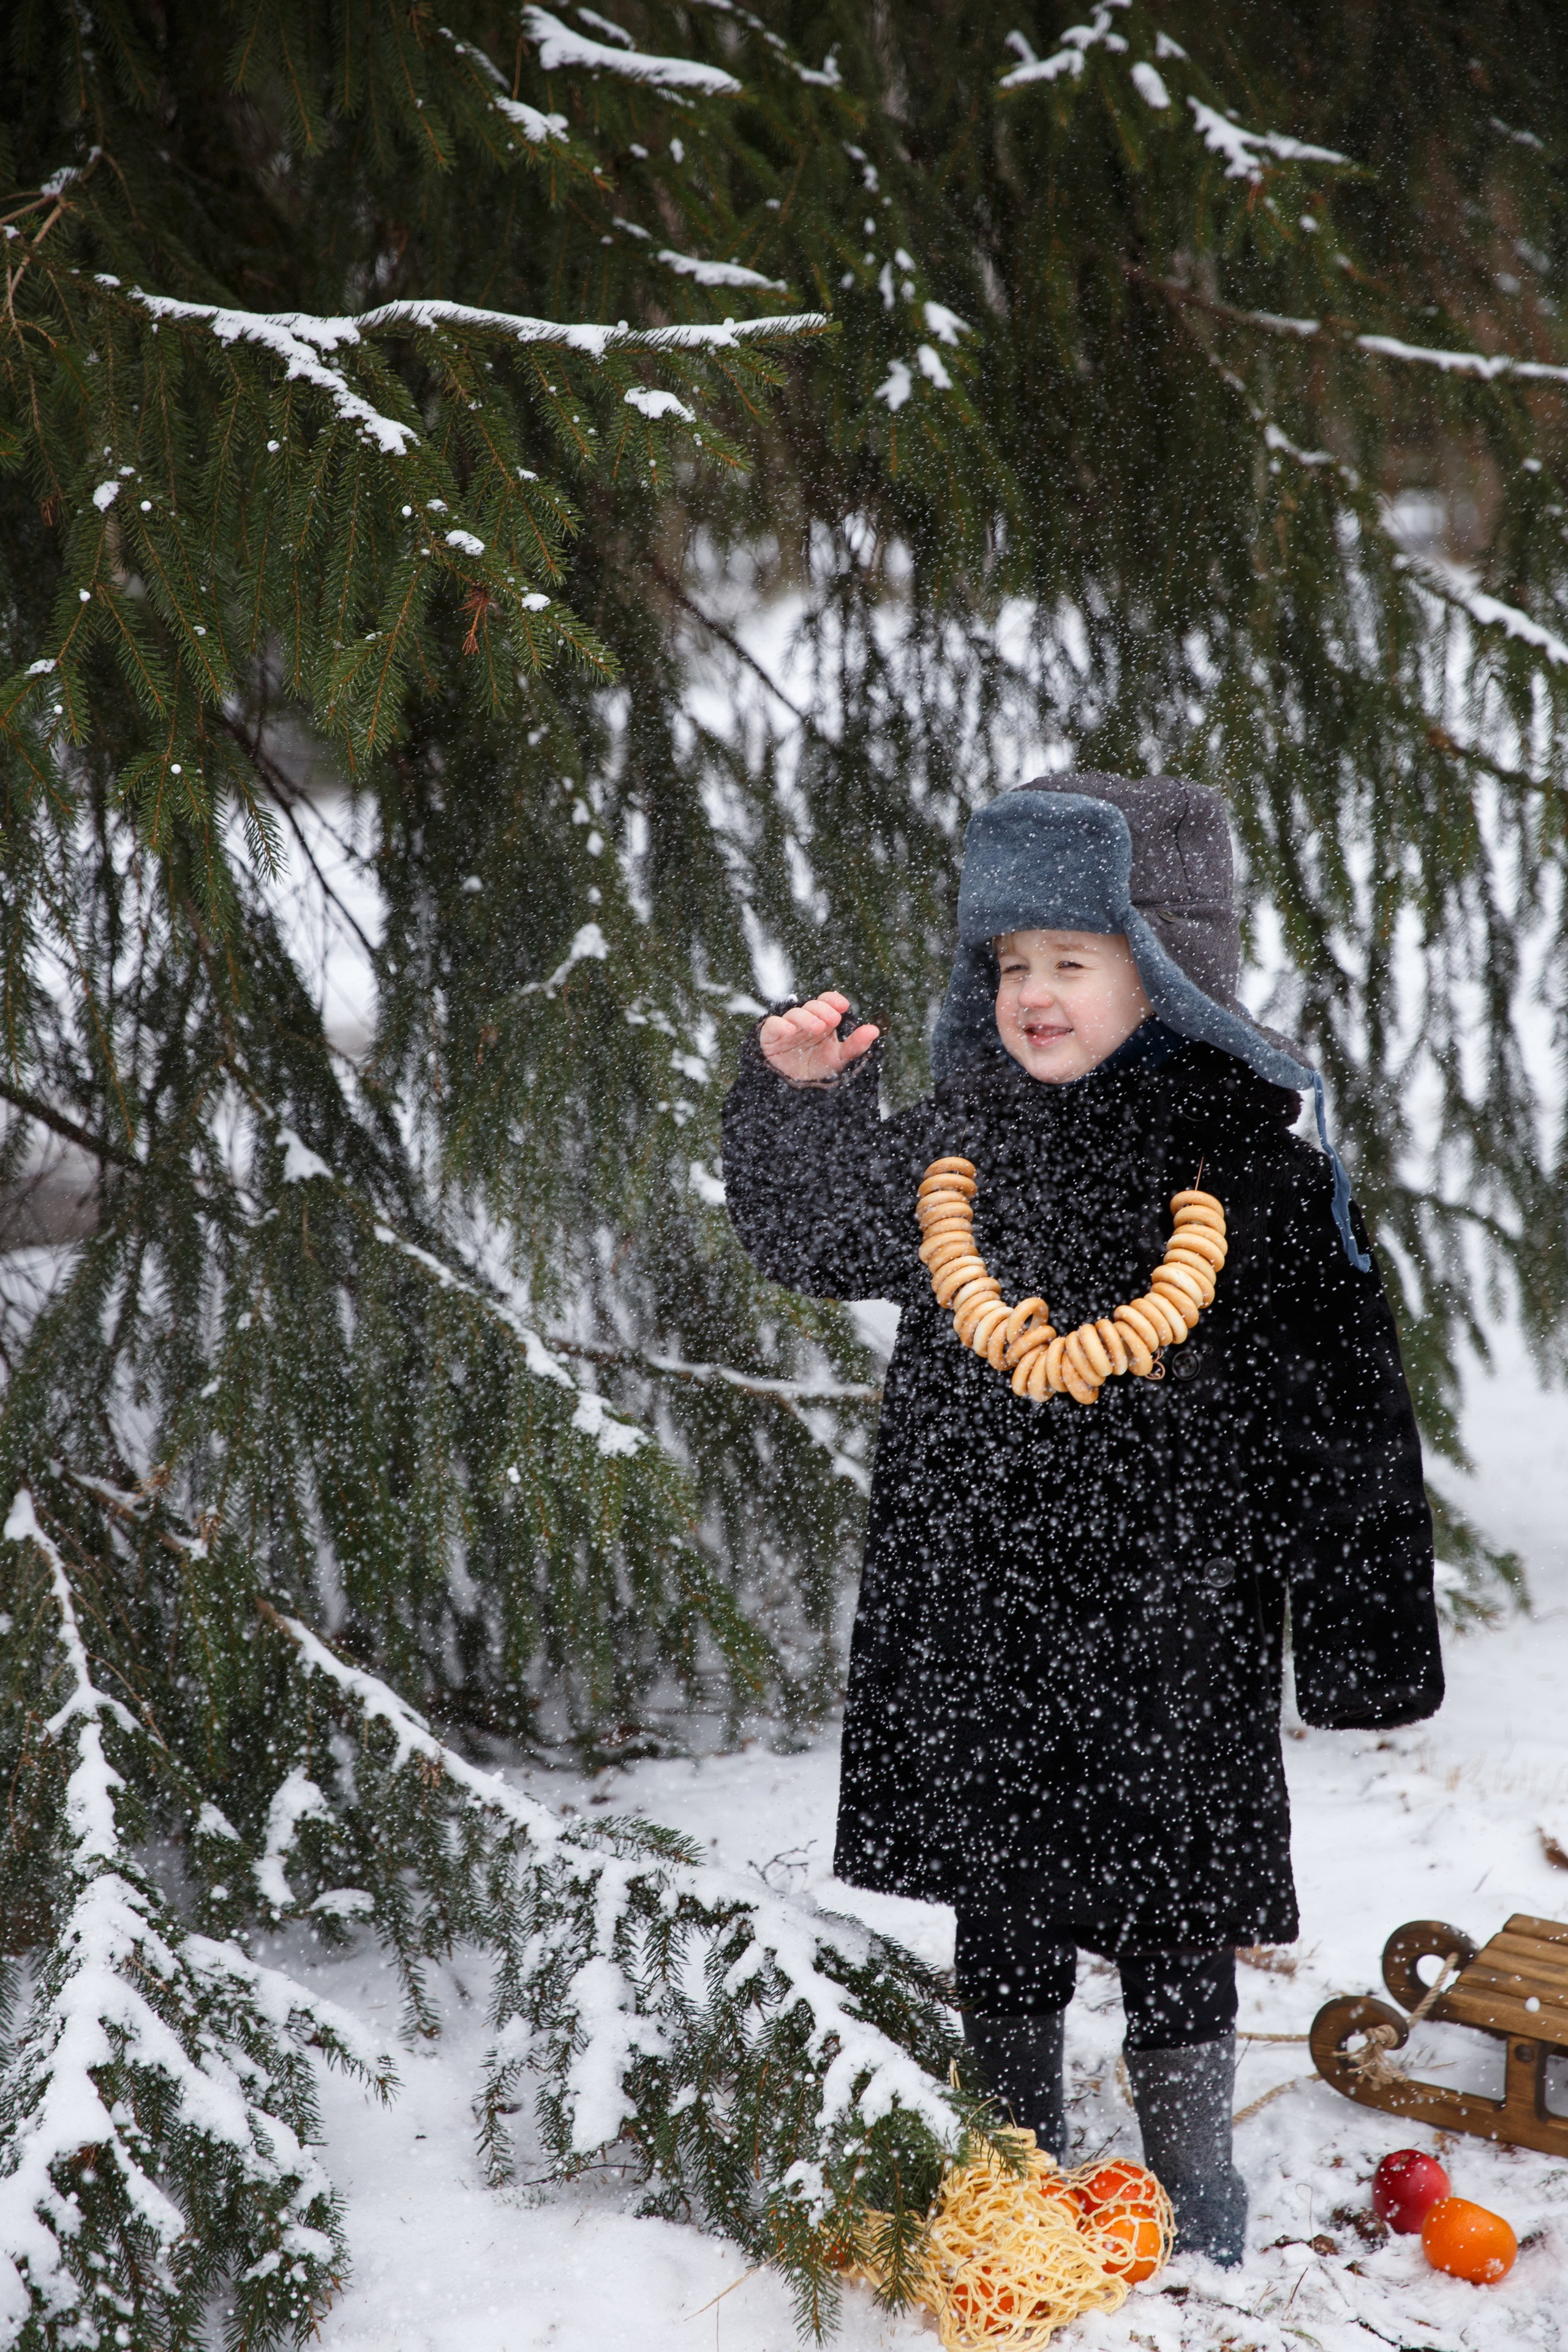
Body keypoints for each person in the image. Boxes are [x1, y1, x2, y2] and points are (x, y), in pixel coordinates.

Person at [720, 773, 1443, 2266]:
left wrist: (1364, 1644)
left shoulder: (1249, 1172)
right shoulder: (953, 1151)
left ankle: (1188, 2165)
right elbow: (805, 1232)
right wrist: (798, 1099)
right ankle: (1014, 2145)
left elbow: (1346, 1416)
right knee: (1005, 1883)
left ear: (1160, 969)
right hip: (978, 1598)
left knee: (1177, 1893)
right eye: (1008, 964)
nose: (1031, 995)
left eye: (1071, 961)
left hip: (1176, 1616)